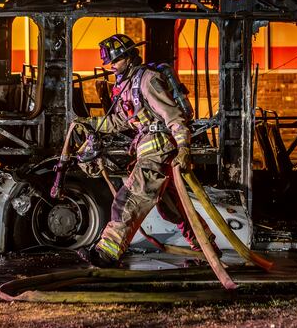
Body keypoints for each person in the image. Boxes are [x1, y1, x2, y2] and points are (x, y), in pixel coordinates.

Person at [76, 33, 214, 267]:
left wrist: (183, 148)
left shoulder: (148, 80)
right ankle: (207, 250)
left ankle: (107, 254)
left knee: (127, 200)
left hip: (157, 152)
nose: (111, 66)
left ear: (129, 57)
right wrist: (89, 122)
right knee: (174, 211)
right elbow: (120, 120)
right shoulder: (126, 86)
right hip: (151, 152)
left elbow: (174, 116)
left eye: (116, 60)